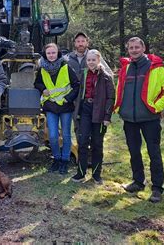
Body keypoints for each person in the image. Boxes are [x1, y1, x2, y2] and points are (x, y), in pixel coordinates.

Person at [114, 37, 164, 203]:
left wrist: (155, 107)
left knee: (154, 152)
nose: (134, 50)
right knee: (134, 152)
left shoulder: (155, 67)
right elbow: (120, 89)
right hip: (129, 119)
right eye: (131, 48)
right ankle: (138, 182)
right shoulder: (125, 68)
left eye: (136, 47)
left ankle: (157, 188)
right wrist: (118, 108)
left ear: (143, 48)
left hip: (150, 119)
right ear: (128, 50)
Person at [34, 43, 79, 174]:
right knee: (53, 136)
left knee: (65, 135)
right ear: (45, 55)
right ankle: (56, 159)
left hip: (65, 107)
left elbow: (76, 85)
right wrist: (43, 89)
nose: (51, 55)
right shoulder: (42, 69)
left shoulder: (66, 67)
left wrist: (68, 98)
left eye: (53, 52)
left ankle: (65, 161)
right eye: (48, 53)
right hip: (51, 107)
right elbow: (36, 83)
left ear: (58, 53)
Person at [71, 49, 115, 184]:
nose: (90, 62)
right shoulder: (84, 74)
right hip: (85, 110)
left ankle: (96, 174)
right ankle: (81, 172)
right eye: (88, 60)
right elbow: (79, 93)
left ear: (98, 60)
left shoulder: (106, 76)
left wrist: (107, 116)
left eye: (93, 60)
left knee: (97, 144)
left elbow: (111, 97)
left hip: (100, 113)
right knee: (82, 141)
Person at [66, 32, 90, 131]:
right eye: (78, 41)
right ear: (74, 43)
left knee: (90, 124)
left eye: (83, 41)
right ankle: (81, 145)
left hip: (89, 97)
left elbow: (108, 74)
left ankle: (92, 145)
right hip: (74, 98)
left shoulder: (94, 56)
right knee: (77, 124)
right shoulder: (67, 59)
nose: (80, 44)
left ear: (87, 43)